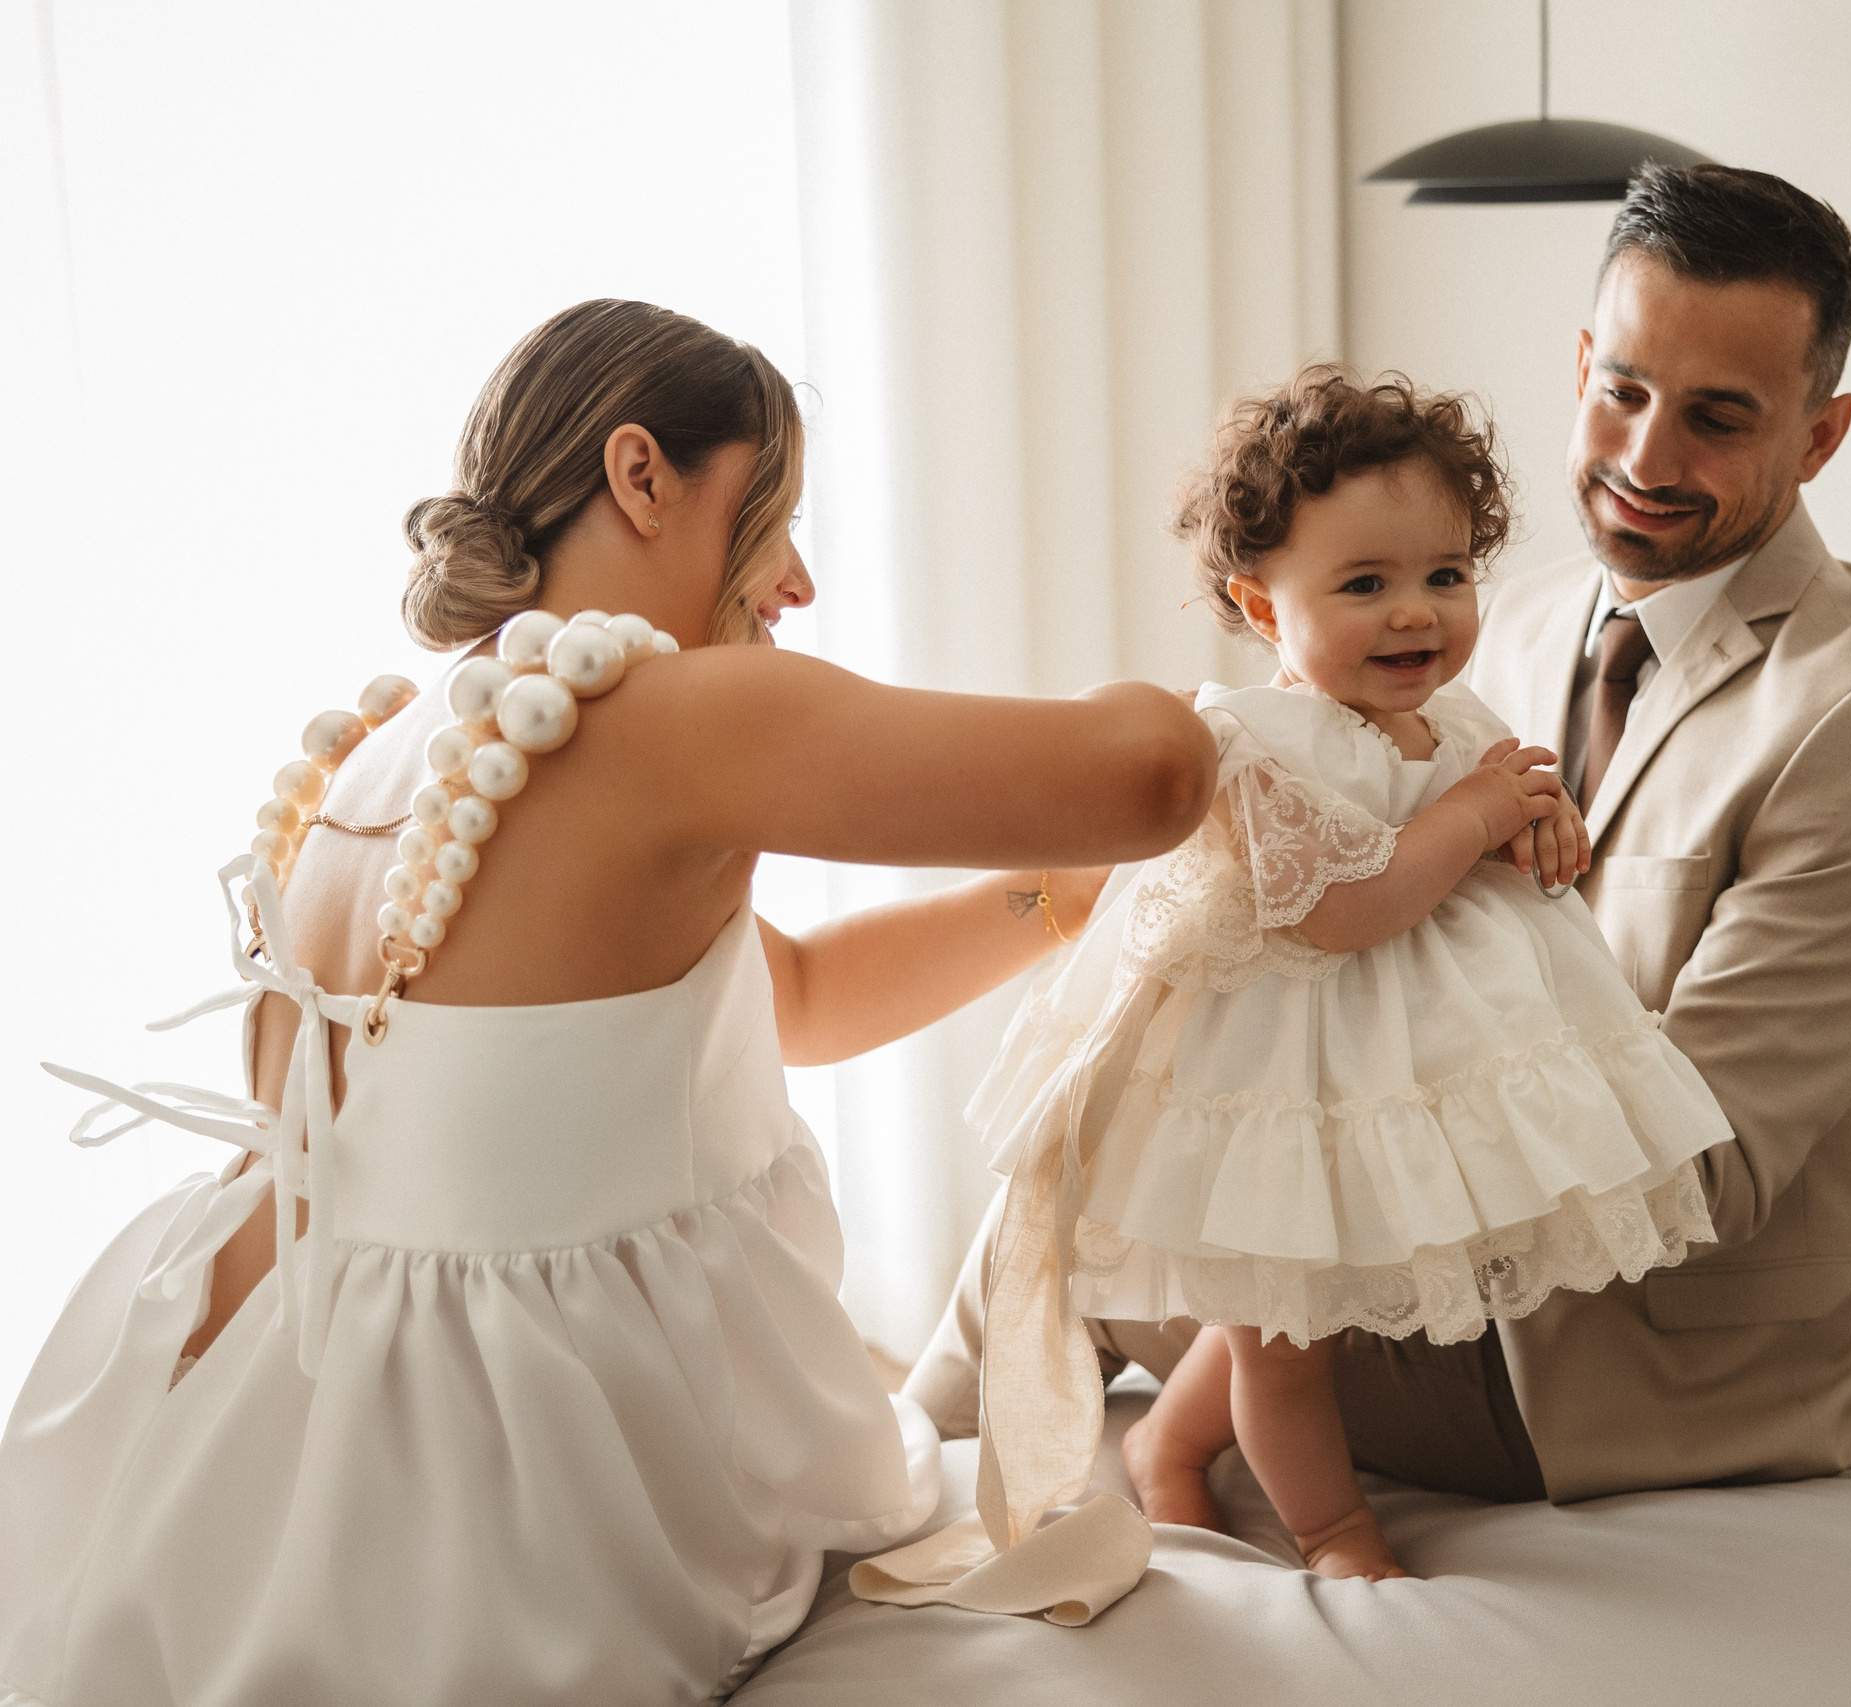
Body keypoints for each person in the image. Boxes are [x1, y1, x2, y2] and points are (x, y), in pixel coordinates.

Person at [0, 299, 1216, 1707]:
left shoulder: (395, 750)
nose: (798, 577)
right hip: (511, 1490)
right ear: (641, 475)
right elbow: (1152, 776)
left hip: (269, 1454)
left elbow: (796, 996)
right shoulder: (665, 714)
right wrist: (1228, 689)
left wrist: (1053, 905)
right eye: (770, 508)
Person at [906, 162, 1851, 1515]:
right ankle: (904, 1452)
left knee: (1119, 1198)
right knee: (1114, 1105)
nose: (1647, 459)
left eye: (1719, 417)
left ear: (1822, 433)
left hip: (1622, 1349)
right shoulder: (1513, 622)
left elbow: (1707, 1173)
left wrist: (1324, 1147)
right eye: (1622, 389)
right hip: (1488, 1250)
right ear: (1579, 365)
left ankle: (900, 1464)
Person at [921, 369, 1735, 1585]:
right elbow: (1345, 911)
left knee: (1300, 1304)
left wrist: (1535, 820)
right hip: (1282, 1065)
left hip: (1392, 1065)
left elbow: (1492, 817)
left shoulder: (1450, 721)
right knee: (1285, 1342)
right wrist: (1470, 818)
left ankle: (1167, 1451)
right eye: (1365, 585)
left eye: (1444, 576)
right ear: (1261, 604)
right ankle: (1327, 1528)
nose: (1417, 615)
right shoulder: (1250, 746)